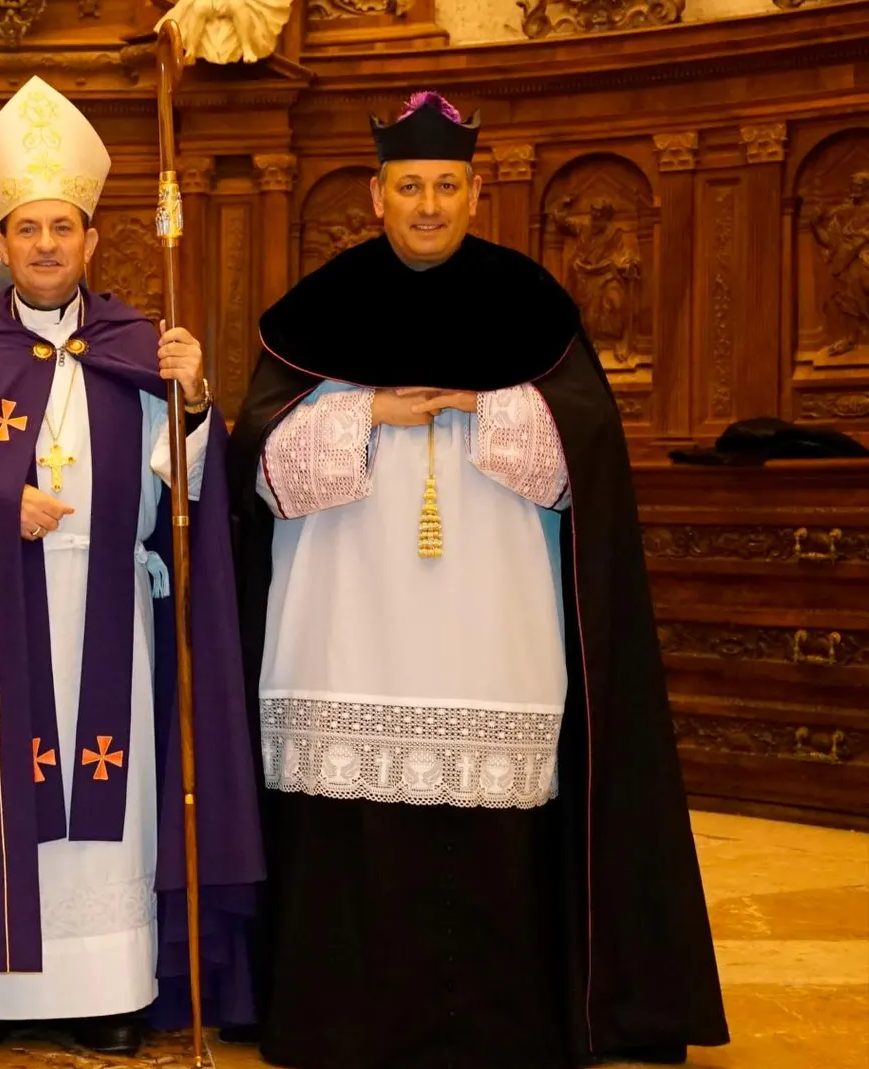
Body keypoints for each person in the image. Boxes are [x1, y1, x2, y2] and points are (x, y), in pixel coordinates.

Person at [230, 90, 730, 1069]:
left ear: (473, 192)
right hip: (349, 621)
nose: (426, 203)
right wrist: (366, 414)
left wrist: (479, 406)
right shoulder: (318, 308)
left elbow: (585, 447)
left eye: (445, 185)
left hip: (491, 620)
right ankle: (345, 1018)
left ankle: (495, 1020)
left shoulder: (529, 304)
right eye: (408, 185)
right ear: (375, 196)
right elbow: (259, 459)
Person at [0, 76, 264, 1057]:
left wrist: (193, 403)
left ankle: (110, 987)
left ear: (93, 240)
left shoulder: (140, 346)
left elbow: (184, 500)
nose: (46, 244)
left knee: (114, 800)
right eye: (27, 229)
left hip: (112, 619)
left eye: (63, 227)